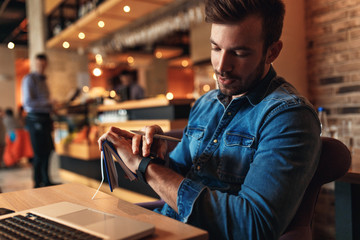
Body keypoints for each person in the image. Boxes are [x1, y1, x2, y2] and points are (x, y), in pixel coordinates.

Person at [98, 0, 321, 239]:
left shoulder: (288, 116)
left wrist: (146, 168)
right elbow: (180, 175)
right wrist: (153, 154)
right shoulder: (206, 103)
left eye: (239, 52)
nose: (222, 66)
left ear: (272, 52)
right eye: (216, 48)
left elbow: (254, 226)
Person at [22, 53, 56, 188]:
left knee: (48, 151)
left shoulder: (44, 80)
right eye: (39, 64)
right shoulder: (29, 79)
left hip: (46, 119)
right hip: (35, 120)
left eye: (43, 63)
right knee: (39, 153)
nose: (41, 66)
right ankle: (37, 183)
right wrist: (49, 102)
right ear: (35, 64)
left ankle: (46, 181)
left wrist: (52, 106)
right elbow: (28, 102)